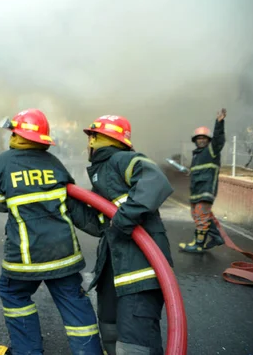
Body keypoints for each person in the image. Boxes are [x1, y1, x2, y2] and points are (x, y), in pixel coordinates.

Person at [0, 108, 103, 355]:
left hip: (25, 258)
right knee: (74, 302)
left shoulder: (1, 163)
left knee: (12, 292)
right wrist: (108, 226)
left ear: (17, 135)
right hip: (65, 254)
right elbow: (75, 206)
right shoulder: (55, 164)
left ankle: (27, 351)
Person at [81, 115, 174, 355]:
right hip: (115, 270)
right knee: (110, 331)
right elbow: (100, 225)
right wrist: (67, 201)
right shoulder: (102, 172)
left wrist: (122, 220)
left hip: (139, 271)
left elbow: (156, 181)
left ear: (94, 140)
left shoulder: (124, 159)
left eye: (91, 137)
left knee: (136, 344)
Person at [179, 108, 227, 253]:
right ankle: (216, 236)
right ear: (195, 140)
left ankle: (198, 245)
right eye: (199, 138)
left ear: (208, 140)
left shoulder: (212, 150)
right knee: (197, 215)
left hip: (205, 191)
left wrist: (219, 123)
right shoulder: (196, 155)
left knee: (201, 217)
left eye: (204, 138)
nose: (201, 140)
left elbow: (219, 139)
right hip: (196, 191)